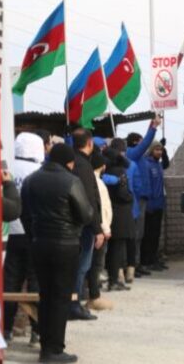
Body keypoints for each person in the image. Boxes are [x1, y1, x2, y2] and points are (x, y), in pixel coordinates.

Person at [21, 143, 93, 363]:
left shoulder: (30, 180)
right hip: (65, 246)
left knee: (45, 295)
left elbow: (23, 215)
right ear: (68, 162)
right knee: (61, 298)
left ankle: (45, 348)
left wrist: (35, 234)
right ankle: (55, 350)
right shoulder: (72, 181)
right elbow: (86, 214)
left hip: (39, 244)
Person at [3, 132, 44, 343]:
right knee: (36, 284)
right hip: (34, 234)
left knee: (10, 284)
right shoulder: (39, 171)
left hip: (11, 233)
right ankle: (37, 331)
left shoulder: (8, 169)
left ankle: (6, 330)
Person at [70, 129, 104, 321]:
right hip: (84, 225)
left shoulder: (73, 162)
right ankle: (74, 304)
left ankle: (73, 302)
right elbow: (90, 199)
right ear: (89, 143)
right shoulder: (83, 166)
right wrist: (97, 228)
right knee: (82, 266)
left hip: (73, 224)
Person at [126, 115, 161, 277]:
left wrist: (151, 125)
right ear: (135, 143)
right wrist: (153, 127)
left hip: (143, 199)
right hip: (137, 199)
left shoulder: (138, 156)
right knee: (136, 234)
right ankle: (133, 264)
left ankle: (136, 263)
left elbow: (145, 143)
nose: (143, 145)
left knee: (140, 234)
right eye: (140, 141)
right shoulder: (132, 154)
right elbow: (146, 143)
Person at [104, 143, 136, 290]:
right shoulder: (120, 172)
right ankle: (114, 280)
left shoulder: (106, 172)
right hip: (121, 213)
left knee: (111, 249)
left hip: (109, 213)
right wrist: (130, 197)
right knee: (117, 249)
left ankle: (112, 278)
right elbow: (123, 194)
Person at [85, 150, 114, 311]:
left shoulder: (92, 180)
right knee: (96, 264)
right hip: (100, 229)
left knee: (92, 264)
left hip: (97, 228)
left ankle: (90, 294)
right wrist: (105, 229)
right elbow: (102, 208)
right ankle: (93, 296)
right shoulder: (98, 183)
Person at [141, 140, 170, 270]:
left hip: (159, 204)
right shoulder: (147, 164)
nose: (159, 152)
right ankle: (146, 261)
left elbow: (166, 163)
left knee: (156, 234)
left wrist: (165, 150)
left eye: (160, 150)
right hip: (150, 205)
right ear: (151, 150)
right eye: (157, 150)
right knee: (148, 235)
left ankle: (153, 259)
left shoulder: (158, 164)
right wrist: (148, 204)